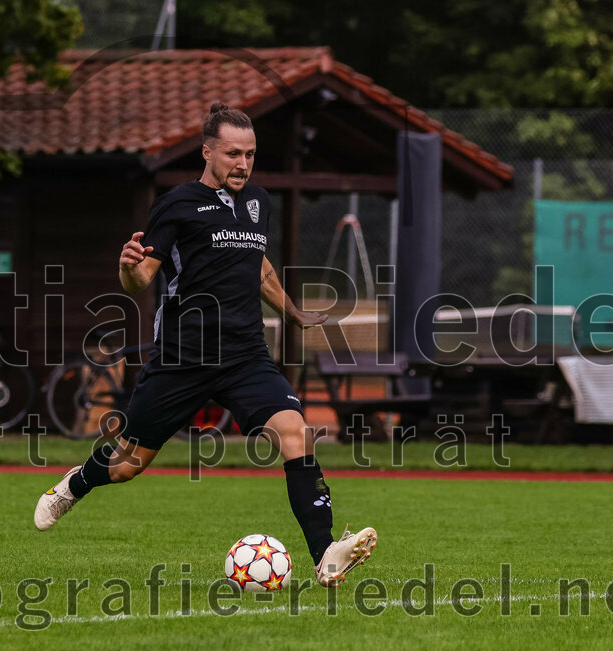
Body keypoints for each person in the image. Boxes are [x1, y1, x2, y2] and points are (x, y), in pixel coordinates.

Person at [35, 102, 378, 587]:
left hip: (244, 356)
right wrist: (127, 264)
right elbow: (140, 280)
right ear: (208, 151)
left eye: (251, 154)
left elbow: (258, 268)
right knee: (127, 465)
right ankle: (76, 483)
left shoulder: (257, 202)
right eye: (233, 154)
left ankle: (326, 556)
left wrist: (295, 313)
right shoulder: (176, 204)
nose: (243, 164)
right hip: (182, 357)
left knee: (296, 433)